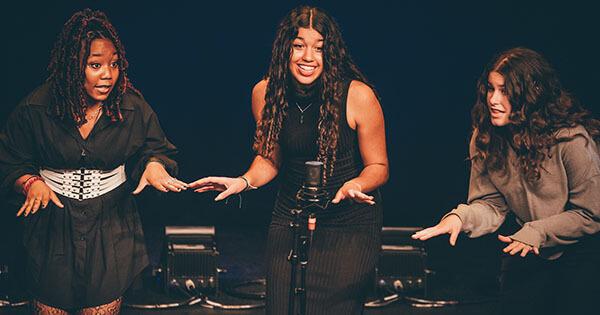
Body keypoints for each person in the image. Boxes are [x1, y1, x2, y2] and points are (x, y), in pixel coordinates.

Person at [188, 6, 388, 314]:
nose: (308, 56)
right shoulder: (265, 92)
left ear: (330, 54)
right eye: (299, 45)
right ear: (285, 48)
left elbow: (379, 166)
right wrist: (243, 181)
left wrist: (356, 184)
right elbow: (270, 159)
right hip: (291, 216)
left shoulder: (358, 96)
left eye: (319, 48)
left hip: (348, 224)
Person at [0, 9, 186, 314]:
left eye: (113, 64)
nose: (108, 75)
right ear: (73, 67)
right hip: (53, 227)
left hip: (110, 226)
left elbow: (156, 149)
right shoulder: (36, 108)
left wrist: (154, 164)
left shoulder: (132, 108)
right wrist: (30, 183)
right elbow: (10, 160)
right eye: (95, 65)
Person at [412, 47, 600, 315]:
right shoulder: (486, 138)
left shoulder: (570, 139)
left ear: (531, 93)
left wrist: (538, 231)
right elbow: (490, 204)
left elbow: (591, 213)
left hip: (581, 252)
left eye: (505, 91)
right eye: (491, 89)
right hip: (525, 244)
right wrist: (461, 217)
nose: (493, 99)